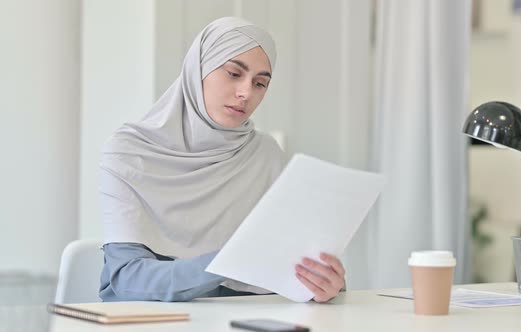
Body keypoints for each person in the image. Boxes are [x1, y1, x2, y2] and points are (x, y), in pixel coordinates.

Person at [98, 17, 345, 303]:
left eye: (260, 83)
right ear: (197, 69)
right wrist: (232, 259)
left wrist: (324, 284)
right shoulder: (128, 153)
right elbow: (128, 279)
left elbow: (293, 267)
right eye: (233, 73)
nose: (246, 93)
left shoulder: (265, 154)